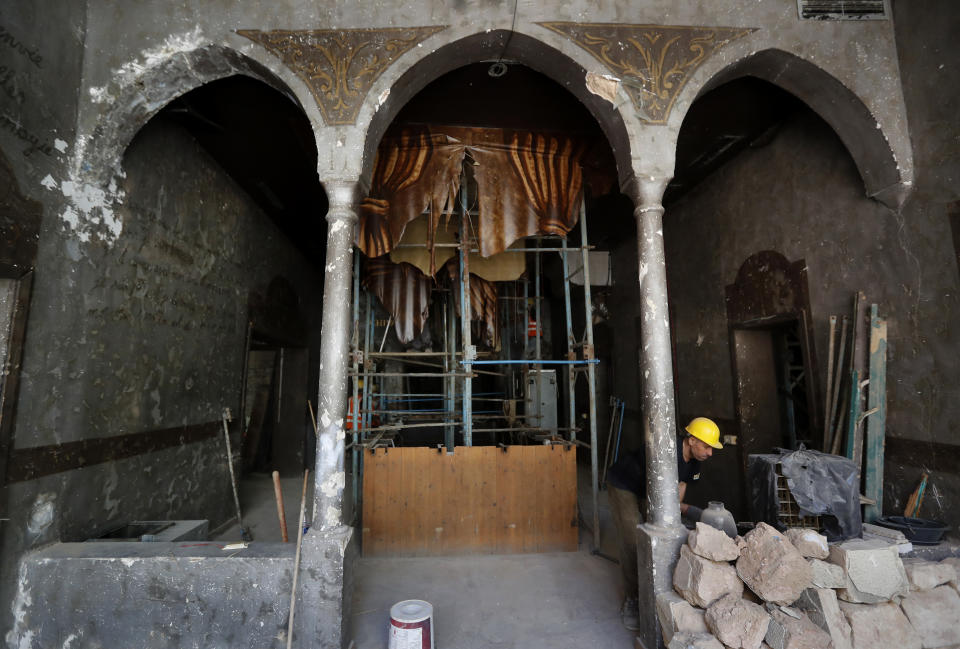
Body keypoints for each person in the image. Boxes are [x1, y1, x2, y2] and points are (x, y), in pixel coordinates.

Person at [605, 416, 723, 631]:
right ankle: (632, 599)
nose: (710, 453)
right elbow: (657, 486)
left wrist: (677, 511)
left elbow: (682, 484)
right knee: (633, 538)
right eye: (707, 446)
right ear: (692, 440)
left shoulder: (696, 461)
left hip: (649, 489)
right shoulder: (665, 449)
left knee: (668, 528)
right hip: (624, 484)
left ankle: (656, 586)